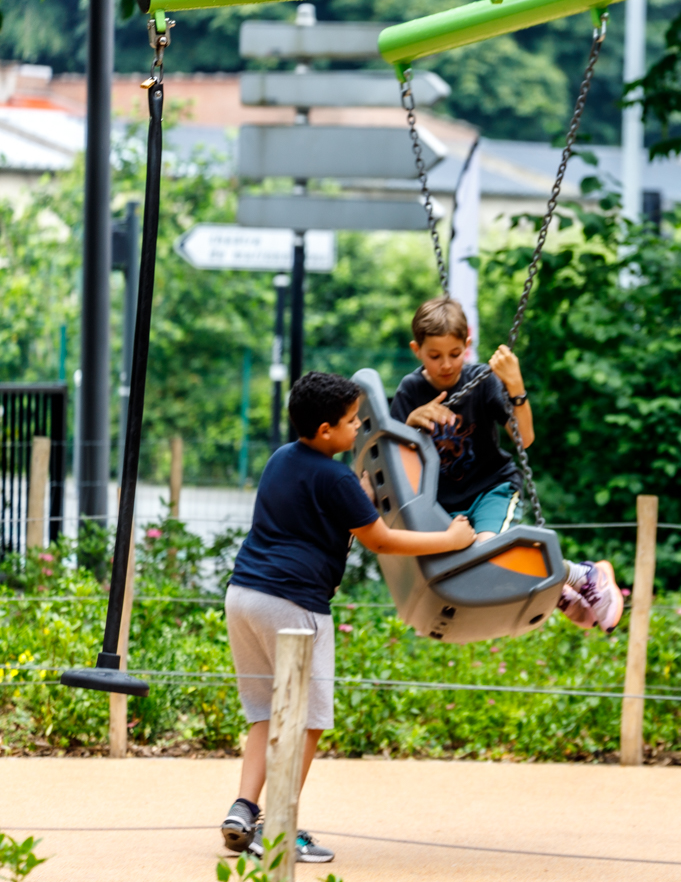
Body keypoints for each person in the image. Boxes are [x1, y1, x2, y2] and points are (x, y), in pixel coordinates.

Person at [220, 372, 477, 863]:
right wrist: (450, 541)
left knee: (267, 714)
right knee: (308, 721)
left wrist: (355, 493)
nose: (359, 427)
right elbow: (381, 539)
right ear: (323, 431)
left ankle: (243, 810)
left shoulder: (281, 460)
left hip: (244, 596)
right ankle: (279, 826)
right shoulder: (335, 477)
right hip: (293, 606)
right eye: (351, 421)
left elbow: (320, 515)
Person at [389, 296, 623, 630]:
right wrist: (410, 421)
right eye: (434, 356)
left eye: (455, 354)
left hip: (490, 488)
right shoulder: (410, 390)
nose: (445, 365)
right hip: (442, 504)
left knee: (484, 554)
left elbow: (524, 438)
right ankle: (556, 588)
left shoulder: (481, 381)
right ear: (416, 350)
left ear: (467, 346)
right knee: (470, 570)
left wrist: (515, 386)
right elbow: (391, 455)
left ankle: (583, 574)